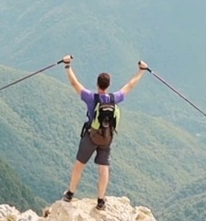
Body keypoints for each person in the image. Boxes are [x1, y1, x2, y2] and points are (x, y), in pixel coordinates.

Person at [60, 56, 148, 210]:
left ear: (97, 84)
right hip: (107, 138)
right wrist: (142, 71)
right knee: (103, 168)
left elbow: (75, 83)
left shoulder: (91, 98)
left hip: (91, 136)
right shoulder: (115, 98)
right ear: (108, 85)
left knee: (79, 166)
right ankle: (100, 200)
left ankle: (70, 194)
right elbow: (130, 85)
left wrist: (67, 65)